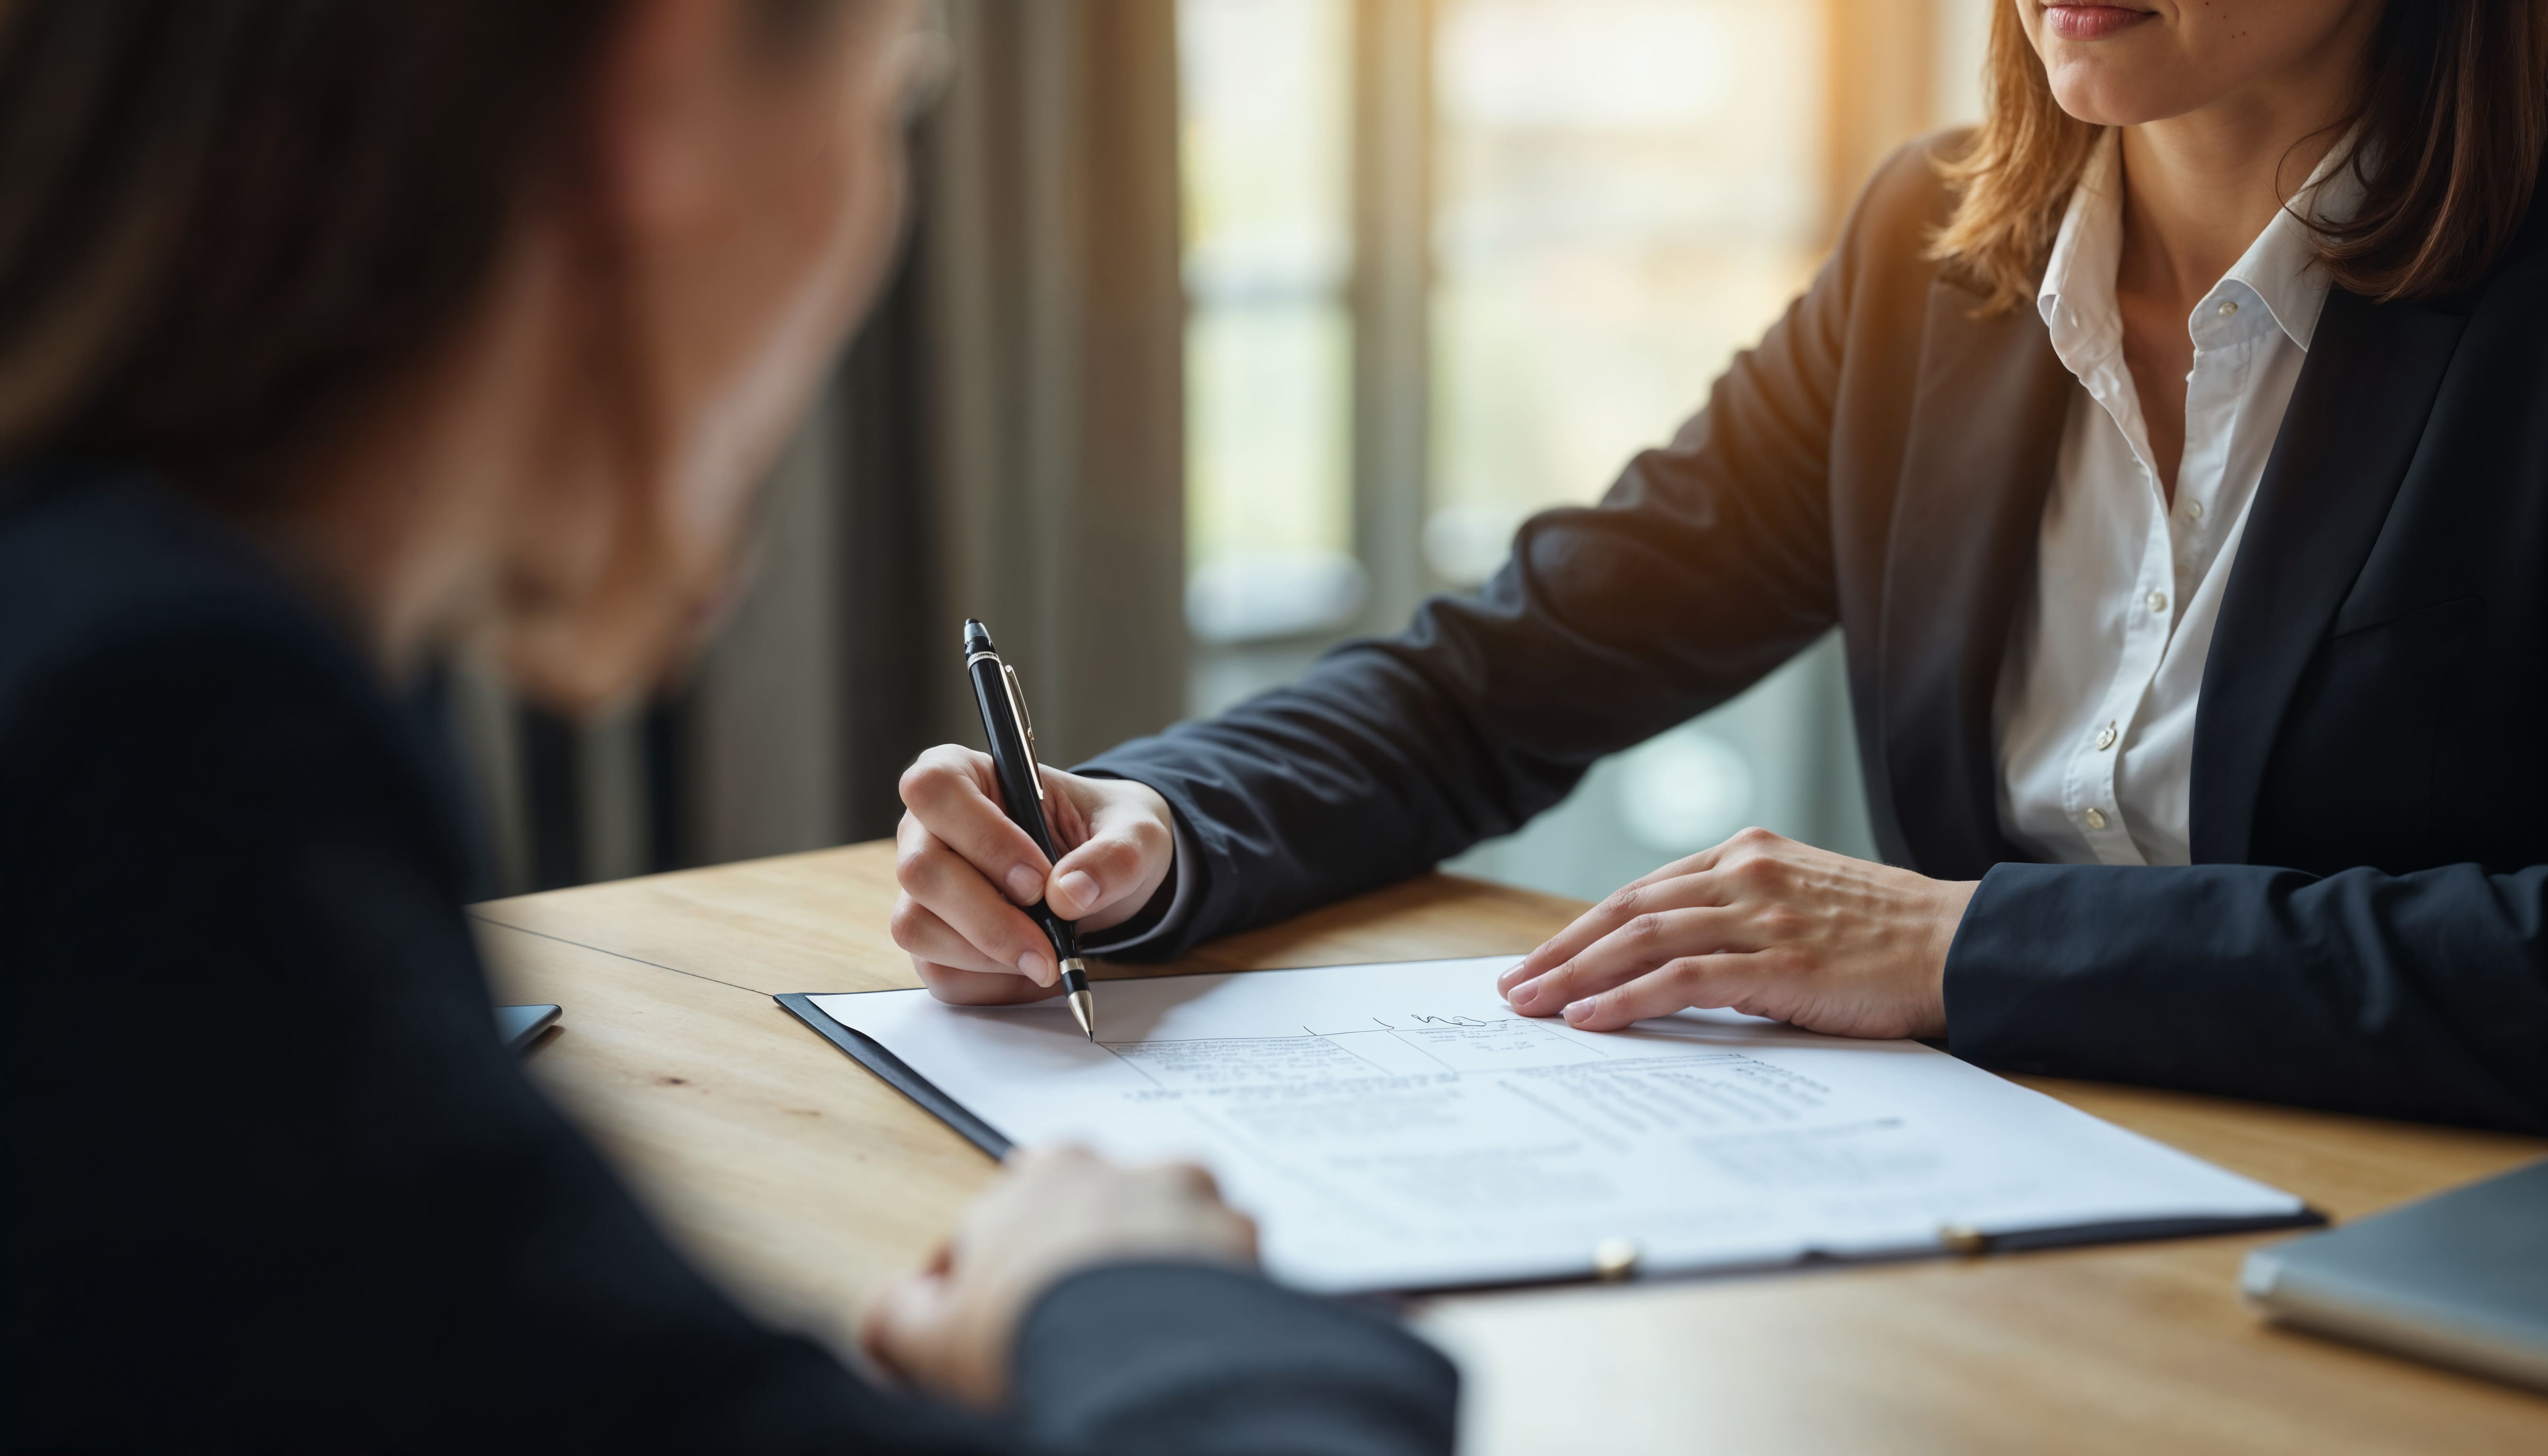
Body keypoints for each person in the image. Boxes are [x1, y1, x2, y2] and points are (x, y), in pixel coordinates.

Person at [0, 1, 1457, 1450]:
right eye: (895, 103)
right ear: (664, 83)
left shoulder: (105, 635)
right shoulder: (152, 745)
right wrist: (1145, 1304)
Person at [892, 0, 2548, 1136]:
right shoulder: (1936, 255)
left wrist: (1964, 949)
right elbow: (1504, 677)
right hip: (2005, 1248)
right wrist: (1154, 828)